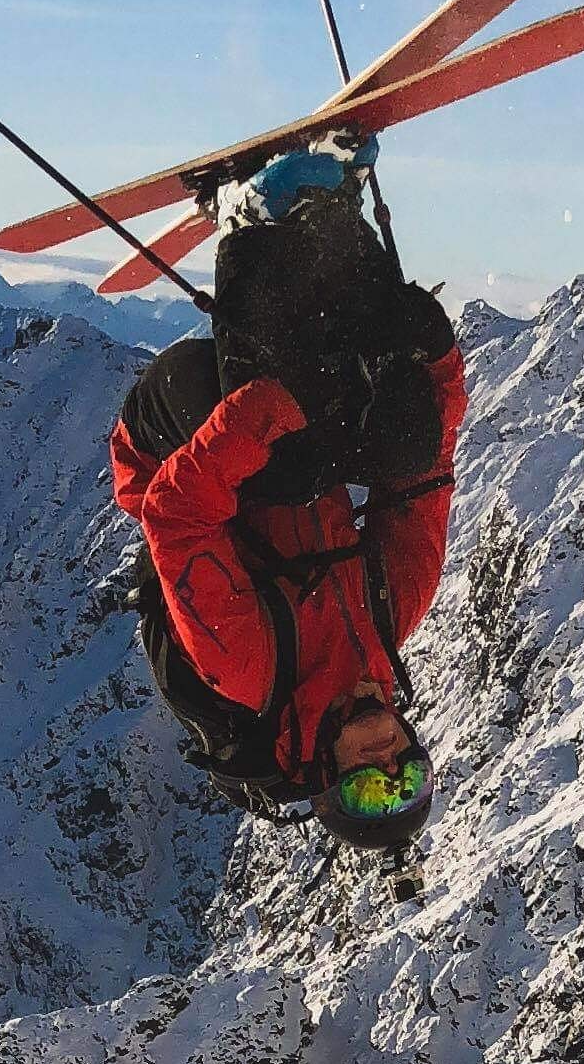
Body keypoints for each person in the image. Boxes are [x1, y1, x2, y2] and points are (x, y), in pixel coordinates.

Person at [110, 136, 460, 854]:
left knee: (290, 467)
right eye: (409, 775)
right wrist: (433, 354)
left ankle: (249, 218)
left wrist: (275, 405)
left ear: (327, 779)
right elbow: (429, 472)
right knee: (400, 436)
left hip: (162, 444)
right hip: (265, 430)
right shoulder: (396, 611)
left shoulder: (250, 672)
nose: (387, 763)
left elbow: (173, 514)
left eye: (370, 787)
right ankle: (331, 209)